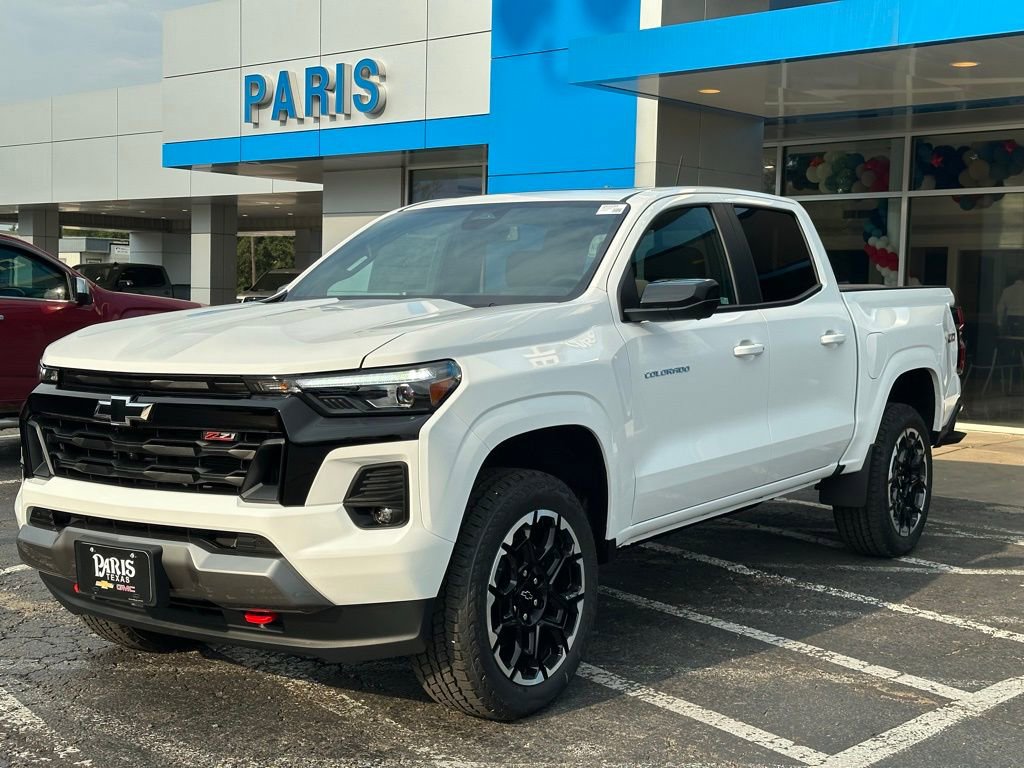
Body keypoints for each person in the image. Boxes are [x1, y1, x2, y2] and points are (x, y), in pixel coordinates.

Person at [996, 268, 1024, 335]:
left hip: (1010, 319)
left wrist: (999, 323)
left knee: (1011, 340)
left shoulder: (1006, 290)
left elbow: (1000, 308)